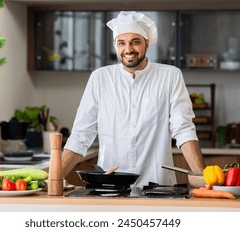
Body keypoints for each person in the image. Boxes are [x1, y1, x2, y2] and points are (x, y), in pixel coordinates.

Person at [61, 11, 205, 187]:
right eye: (122, 43)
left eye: (135, 42)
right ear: (116, 46)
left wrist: (203, 177)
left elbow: (183, 129)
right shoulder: (100, 78)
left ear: (147, 43)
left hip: (157, 186)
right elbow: (81, 135)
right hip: (110, 186)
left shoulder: (170, 76)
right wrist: (53, 178)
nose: (128, 49)